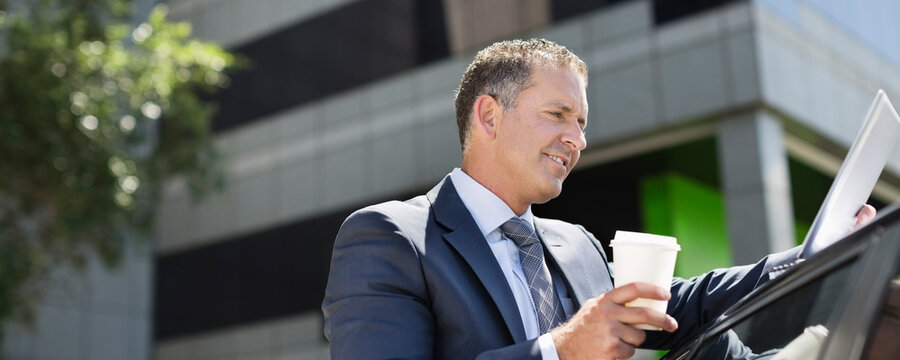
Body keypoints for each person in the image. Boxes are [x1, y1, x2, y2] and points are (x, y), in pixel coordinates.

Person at [321, 38, 876, 360]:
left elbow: (685, 301)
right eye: (558, 115)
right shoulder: (389, 238)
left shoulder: (575, 245)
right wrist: (560, 352)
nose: (578, 139)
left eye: (582, 123)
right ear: (489, 116)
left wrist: (814, 251)